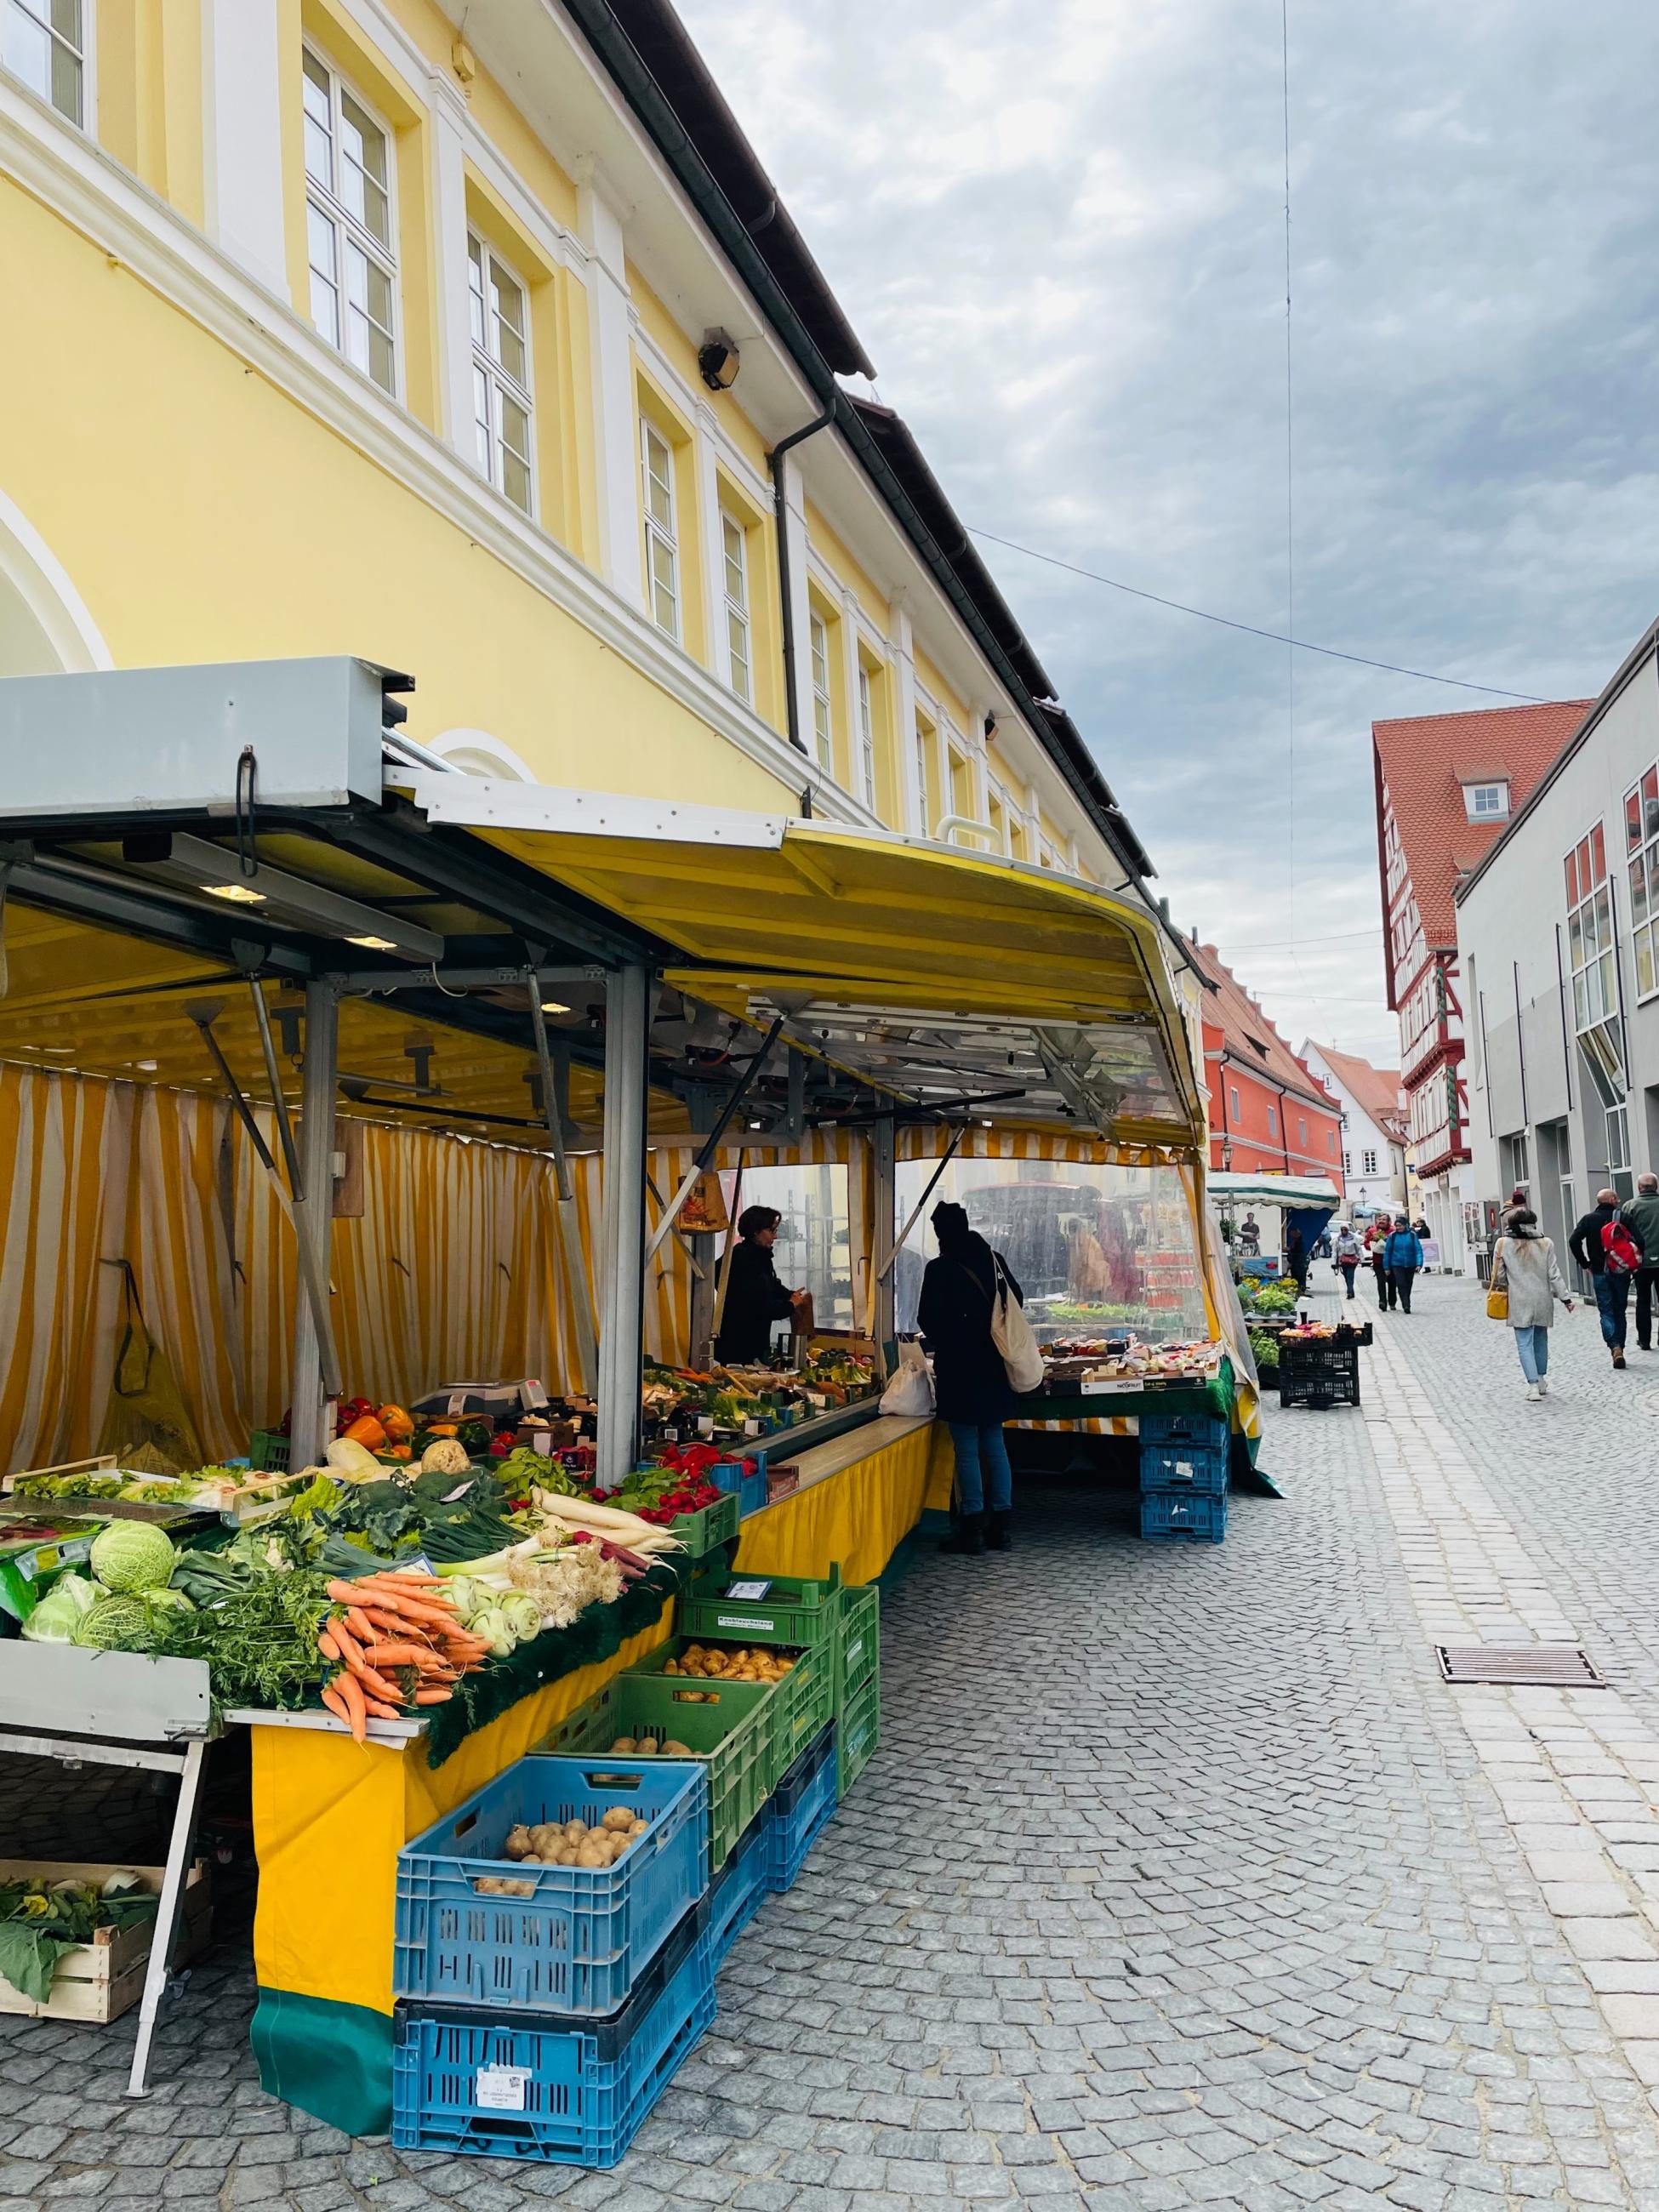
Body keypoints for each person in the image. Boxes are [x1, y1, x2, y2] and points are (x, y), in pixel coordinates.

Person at [917, 1200, 1028, 1555]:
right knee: (994, 1442)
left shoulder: (939, 1268)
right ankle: (1002, 1526)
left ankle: (973, 1527)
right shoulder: (993, 1260)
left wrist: (952, 1336)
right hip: (995, 1364)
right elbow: (1017, 1301)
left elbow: (927, 1321)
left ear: (940, 1232)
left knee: (966, 1447)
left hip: (959, 1368)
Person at [1490, 1207, 1575, 1401]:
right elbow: (1554, 1273)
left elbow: (1499, 1276)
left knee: (1524, 1343)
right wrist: (1566, 1298)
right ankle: (1542, 1379)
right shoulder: (1546, 1243)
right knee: (1540, 1340)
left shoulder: (1503, 1244)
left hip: (1518, 1298)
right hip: (1542, 1298)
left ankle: (1533, 1386)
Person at [714, 1205, 806, 1365]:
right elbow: (759, 1306)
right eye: (771, 1231)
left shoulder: (760, 1257)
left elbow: (771, 1284)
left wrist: (789, 1294)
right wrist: (790, 1305)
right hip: (738, 1345)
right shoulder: (743, 1258)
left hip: (755, 1342)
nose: (775, 1237)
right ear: (756, 1231)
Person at [1570, 1189, 1645, 1369]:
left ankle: (1614, 1346)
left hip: (1599, 1271)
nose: (1618, 1200)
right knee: (1620, 1310)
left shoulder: (1589, 1219)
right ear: (1611, 1200)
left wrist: (1585, 1263)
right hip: (1621, 1272)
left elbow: (1573, 1241)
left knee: (1606, 1311)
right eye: (1616, 1197)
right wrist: (1631, 1260)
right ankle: (1621, 1348)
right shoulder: (1624, 1218)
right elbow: (1640, 1241)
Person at [1622, 1172, 1659, 1351]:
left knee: (1643, 1301)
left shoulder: (1630, 1206)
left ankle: (1644, 1340)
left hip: (1640, 1262)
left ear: (1639, 1188)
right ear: (1656, 1187)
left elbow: (1622, 1234)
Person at [1383, 1217, 1424, 1313]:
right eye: (1396, 1226)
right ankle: (1406, 1304)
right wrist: (1386, 1267)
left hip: (1410, 1264)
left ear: (1405, 1225)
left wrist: (1419, 1263)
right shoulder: (1392, 1236)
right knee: (1401, 1284)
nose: (1398, 1228)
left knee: (1408, 1284)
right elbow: (1387, 1252)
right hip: (1397, 1264)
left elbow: (1418, 1250)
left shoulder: (1412, 1235)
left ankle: (1406, 1300)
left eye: (1400, 1225)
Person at [1367, 1214, 1394, 1308]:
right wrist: (1373, 1241)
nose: (1381, 1221)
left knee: (1392, 1282)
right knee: (1381, 1282)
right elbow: (1366, 1244)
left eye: (1384, 1219)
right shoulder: (1372, 1231)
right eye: (1380, 1219)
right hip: (1378, 1261)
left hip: (1391, 1261)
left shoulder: (1393, 1231)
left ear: (1389, 1222)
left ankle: (1392, 1301)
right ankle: (1382, 1302)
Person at [1333, 1222, 1362, 1301]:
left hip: (1352, 1260)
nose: (1343, 1231)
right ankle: (1351, 1291)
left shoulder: (1353, 1238)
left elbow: (1358, 1249)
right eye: (1342, 1230)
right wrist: (1333, 1262)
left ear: (1347, 1230)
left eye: (1345, 1230)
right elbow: (1335, 1251)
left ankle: (1349, 1292)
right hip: (1343, 1261)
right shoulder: (1338, 1239)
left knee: (1350, 1276)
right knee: (1346, 1276)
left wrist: (1361, 1259)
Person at [1286, 1224, 1309, 1296]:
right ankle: (1299, 1289)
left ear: (1296, 1234)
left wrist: (1290, 1250)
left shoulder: (1299, 1242)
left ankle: (1300, 1290)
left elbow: (1297, 1252)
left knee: (1299, 1277)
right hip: (1297, 1263)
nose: (1291, 1235)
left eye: (1292, 1233)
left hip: (1298, 1263)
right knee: (1298, 1277)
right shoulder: (1297, 1241)